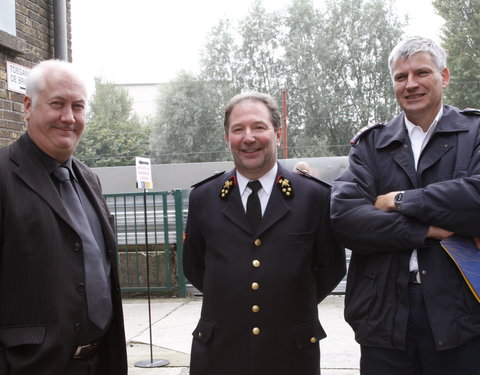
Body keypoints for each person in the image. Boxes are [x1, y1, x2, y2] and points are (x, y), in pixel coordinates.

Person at [331, 36, 480, 374]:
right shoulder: (371, 145)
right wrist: (425, 229)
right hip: (384, 317)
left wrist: (398, 200)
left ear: (444, 76)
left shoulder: (474, 134)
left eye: (421, 73)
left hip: (462, 315)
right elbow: (346, 217)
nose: (411, 84)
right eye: (401, 77)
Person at [183, 91, 345, 375]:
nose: (248, 137)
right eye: (238, 129)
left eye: (259, 127)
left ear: (278, 134)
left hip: (291, 353)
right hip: (220, 351)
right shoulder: (203, 198)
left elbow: (331, 268)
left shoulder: (313, 197)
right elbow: (195, 266)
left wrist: (284, 300)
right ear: (227, 138)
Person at [0, 60, 127, 374]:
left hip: (100, 361)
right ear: (28, 106)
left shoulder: (89, 179)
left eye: (78, 106)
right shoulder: (3, 175)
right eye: (57, 104)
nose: (68, 118)